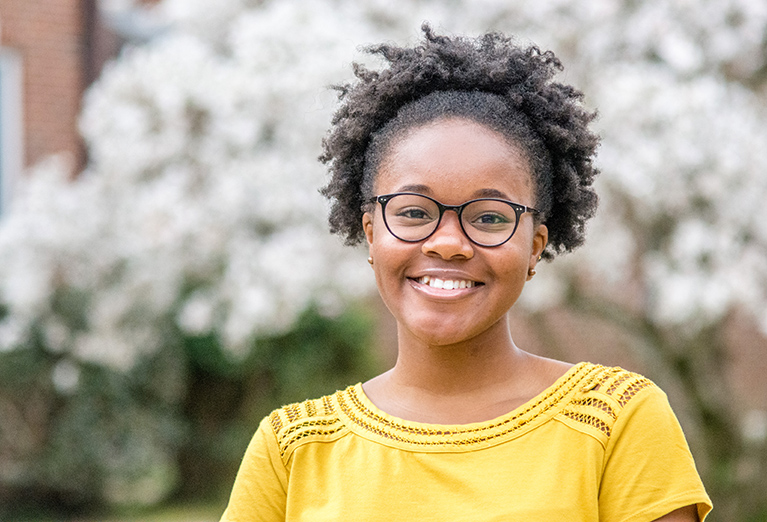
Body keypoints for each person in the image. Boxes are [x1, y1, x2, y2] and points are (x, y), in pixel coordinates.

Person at [220, 25, 712, 521]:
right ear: (371, 233)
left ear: (534, 246)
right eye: (413, 212)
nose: (450, 243)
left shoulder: (616, 420)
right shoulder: (292, 448)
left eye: (490, 217)